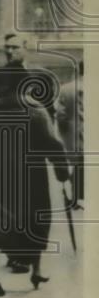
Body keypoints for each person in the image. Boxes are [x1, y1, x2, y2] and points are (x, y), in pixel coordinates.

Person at [0, 71, 71, 296]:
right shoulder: (35, 109)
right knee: (35, 223)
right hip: (30, 177)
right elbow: (52, 144)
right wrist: (62, 173)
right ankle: (36, 271)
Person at [0, 32, 61, 274]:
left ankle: (23, 255)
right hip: (5, 154)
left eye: (14, 47)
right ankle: (18, 254)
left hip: (33, 150)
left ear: (26, 48)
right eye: (6, 47)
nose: (10, 52)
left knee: (31, 207)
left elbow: (48, 114)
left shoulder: (41, 76)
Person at [56, 61, 84, 208]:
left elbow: (60, 116)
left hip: (74, 135)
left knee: (79, 164)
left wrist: (64, 134)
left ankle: (75, 197)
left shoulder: (66, 89)